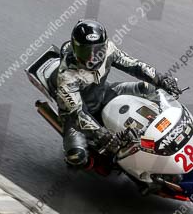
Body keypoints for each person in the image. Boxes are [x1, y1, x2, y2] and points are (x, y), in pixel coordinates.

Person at [52, 19, 180, 168]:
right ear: (75, 48)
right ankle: (94, 164)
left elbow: (134, 65)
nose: (92, 58)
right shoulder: (67, 75)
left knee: (148, 89)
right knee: (77, 158)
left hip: (105, 94)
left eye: (97, 50)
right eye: (86, 52)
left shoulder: (108, 50)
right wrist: (101, 134)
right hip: (77, 118)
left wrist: (161, 79)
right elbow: (77, 113)